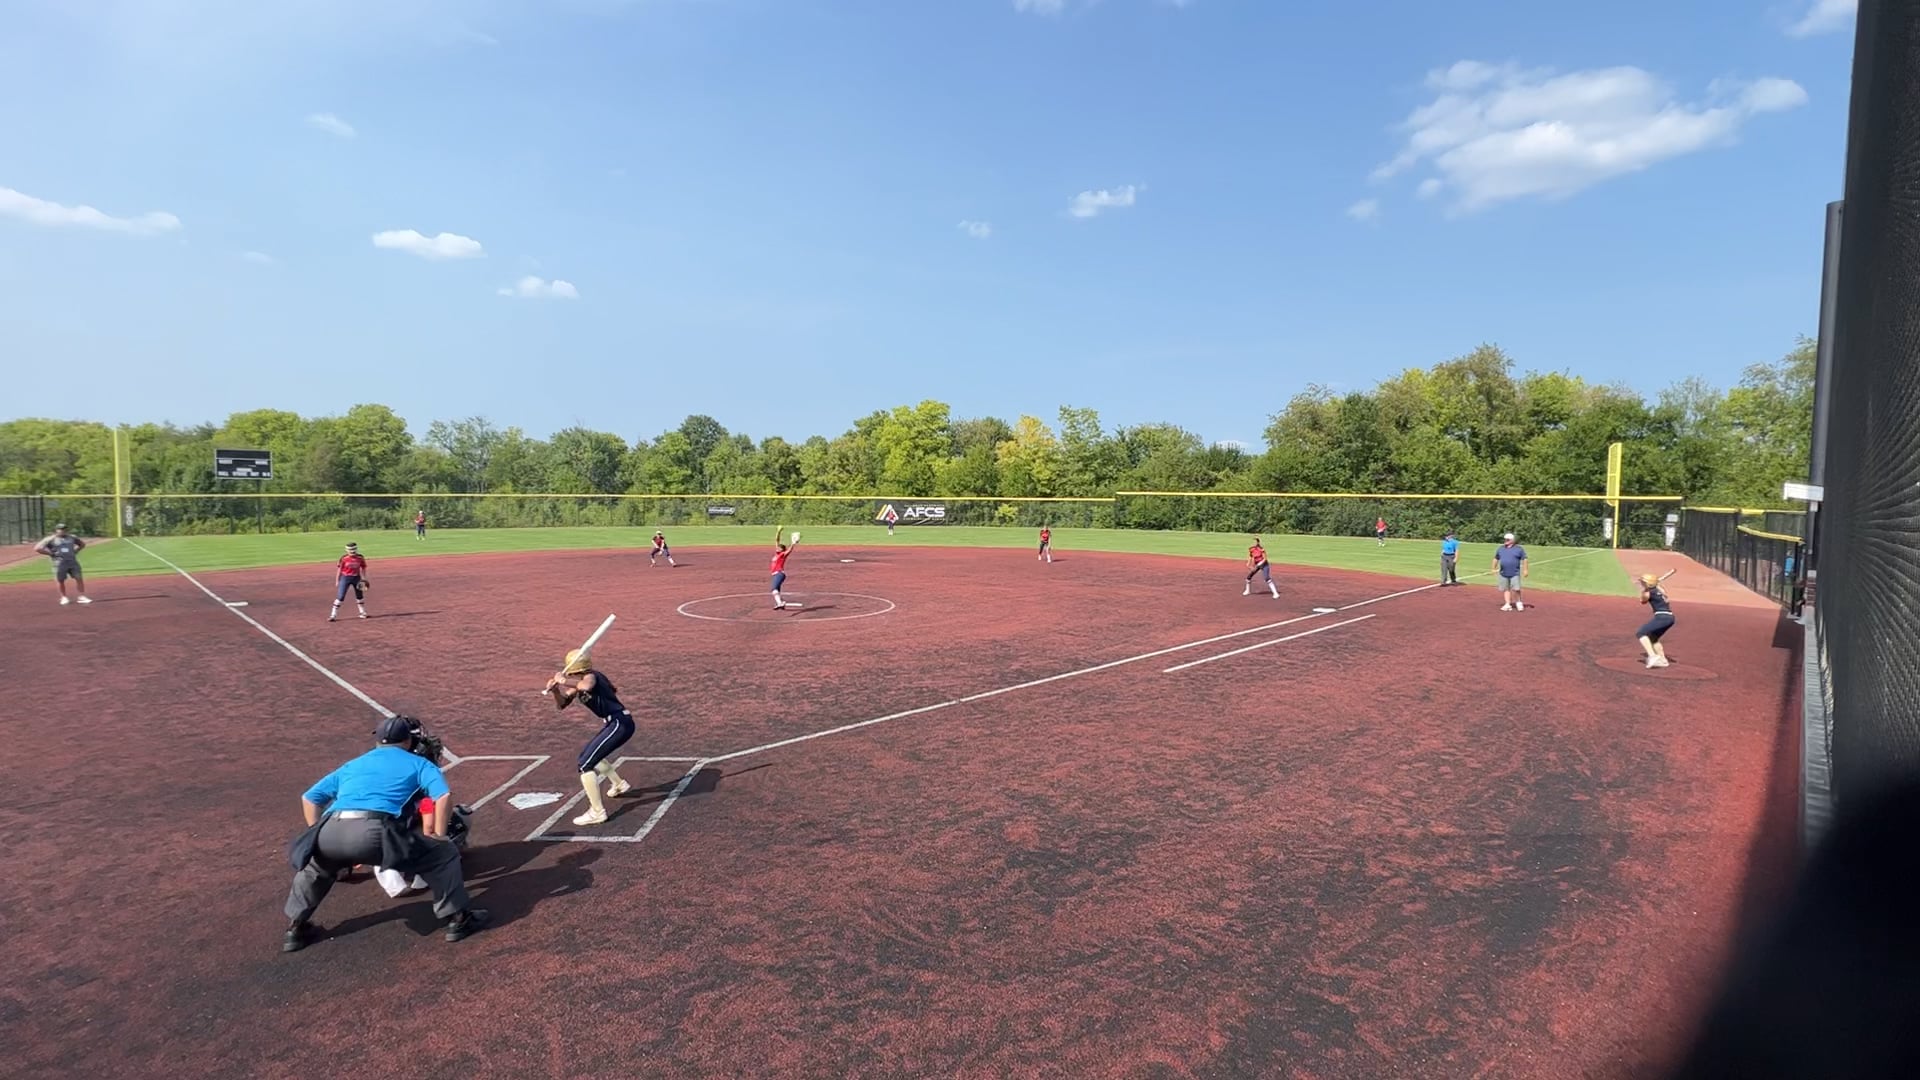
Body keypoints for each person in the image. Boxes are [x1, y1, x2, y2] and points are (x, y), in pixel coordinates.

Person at [283, 715, 488, 952]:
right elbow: (442, 797)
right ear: (408, 741)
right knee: (444, 854)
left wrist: (320, 834)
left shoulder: (354, 764)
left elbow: (310, 798)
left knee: (317, 868)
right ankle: (459, 919)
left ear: (378, 740)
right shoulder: (419, 764)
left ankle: (295, 929)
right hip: (373, 831)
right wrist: (440, 836)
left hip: (329, 829)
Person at [544, 649, 636, 827]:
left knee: (585, 764)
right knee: (591, 755)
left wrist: (563, 680)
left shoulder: (592, 677)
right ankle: (619, 784)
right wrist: (556, 691)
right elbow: (562, 704)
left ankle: (597, 812)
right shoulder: (578, 683)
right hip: (615, 724)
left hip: (619, 723)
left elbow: (586, 686)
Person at [33, 523, 89, 606]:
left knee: (79, 578)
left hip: (72, 561)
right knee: (60, 580)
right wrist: (51, 553)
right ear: (56, 530)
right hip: (59, 562)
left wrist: (75, 551)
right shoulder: (50, 539)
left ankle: (82, 596)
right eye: (60, 529)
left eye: (64, 529)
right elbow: (37, 548)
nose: (62, 531)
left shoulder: (72, 537)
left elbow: (82, 544)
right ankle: (63, 597)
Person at [1636, 573, 1675, 668]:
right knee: (1653, 637)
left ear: (1648, 583)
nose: (1642, 583)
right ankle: (1663, 660)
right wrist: (1653, 587)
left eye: (1643, 582)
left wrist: (1645, 590)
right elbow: (1663, 593)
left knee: (1641, 633)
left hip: (1662, 617)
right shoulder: (1660, 591)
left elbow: (1642, 601)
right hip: (1670, 618)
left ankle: (1653, 656)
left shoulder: (1648, 593)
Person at [331, 542, 369, 622]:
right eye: (350, 550)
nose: (352, 551)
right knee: (341, 597)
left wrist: (364, 579)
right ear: (347, 550)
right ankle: (333, 614)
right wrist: (337, 580)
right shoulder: (344, 558)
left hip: (357, 578)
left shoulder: (360, 558)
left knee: (359, 595)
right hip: (345, 578)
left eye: (354, 549)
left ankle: (362, 612)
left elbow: (363, 567)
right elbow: (339, 569)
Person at [1493, 532, 1528, 610]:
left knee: (1516, 589)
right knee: (1506, 588)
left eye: (1508, 539)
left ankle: (1518, 602)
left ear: (1512, 540)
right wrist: (1493, 568)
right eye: (1505, 539)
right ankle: (1507, 604)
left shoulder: (1519, 549)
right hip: (1503, 573)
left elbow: (1524, 559)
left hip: (1514, 572)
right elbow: (1496, 558)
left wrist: (1525, 570)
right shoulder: (1501, 548)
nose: (1506, 540)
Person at [770, 528, 800, 610]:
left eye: (779, 547)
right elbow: (776, 540)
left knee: (774, 589)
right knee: (777, 591)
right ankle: (781, 603)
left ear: (782, 549)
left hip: (779, 574)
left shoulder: (782, 555)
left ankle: (780, 603)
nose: (777, 548)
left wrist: (793, 544)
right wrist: (778, 531)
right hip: (775, 575)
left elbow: (789, 550)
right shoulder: (777, 554)